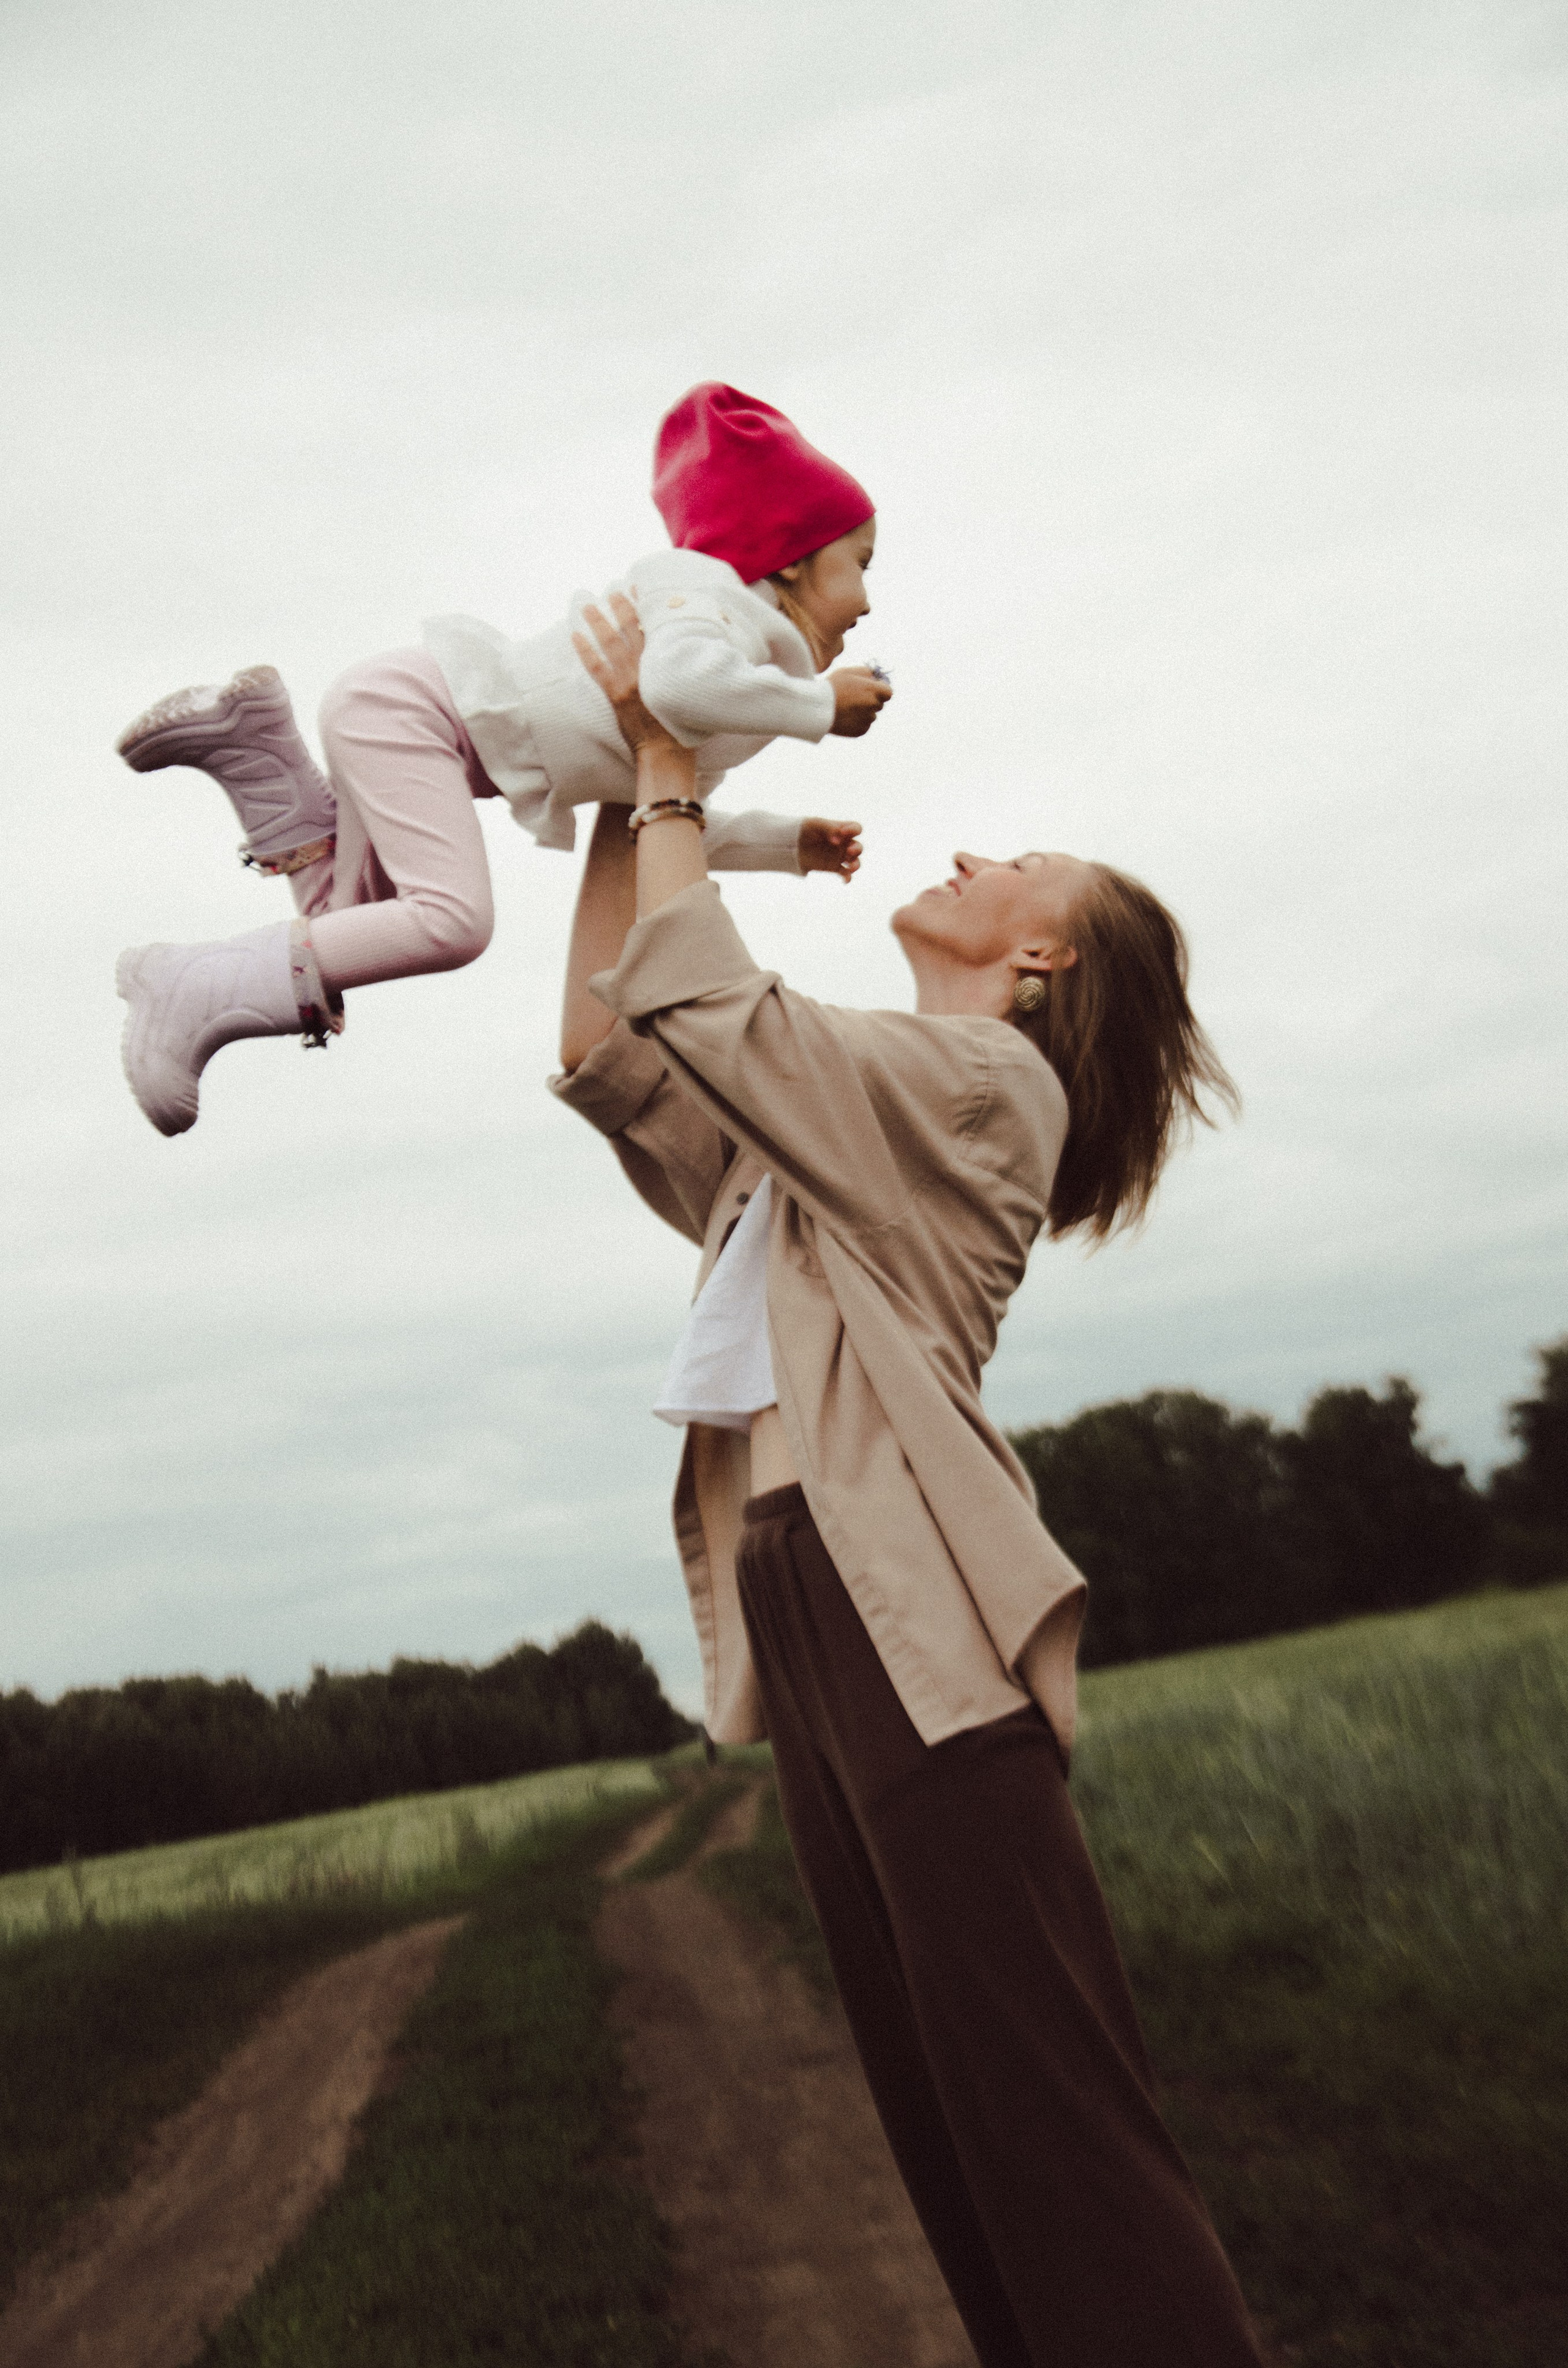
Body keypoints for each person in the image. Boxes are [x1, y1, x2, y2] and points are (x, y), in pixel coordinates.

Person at [552, 597, 1262, 2368]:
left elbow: (706, 987)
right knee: (949, 2129)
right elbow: (610, 1042)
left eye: (1018, 863)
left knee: (1053, 2127)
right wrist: (603, 790)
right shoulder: (838, 1113)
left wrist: (670, 758)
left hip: (907, 1613)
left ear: (1046, 966)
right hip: (812, 1595)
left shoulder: (985, 1091)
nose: (970, 850)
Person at [112, 383, 888, 1135]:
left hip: (413, 724)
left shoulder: (734, 698)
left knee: (343, 929)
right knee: (451, 923)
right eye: (860, 563)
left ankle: (256, 757)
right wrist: (823, 709)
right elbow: (678, 680)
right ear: (791, 558)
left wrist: (788, 845)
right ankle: (182, 984)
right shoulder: (706, 595)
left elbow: (667, 824)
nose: (868, 599)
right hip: (412, 711)